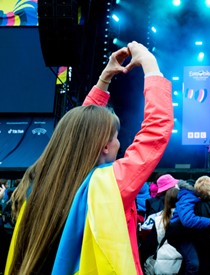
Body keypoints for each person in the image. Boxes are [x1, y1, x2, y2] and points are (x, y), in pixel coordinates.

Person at [5, 41, 173, 274]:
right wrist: (150, 64)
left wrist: (103, 80)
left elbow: (80, 133)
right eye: (116, 137)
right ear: (104, 146)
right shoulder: (108, 185)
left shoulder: (40, 184)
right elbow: (155, 131)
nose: (119, 143)